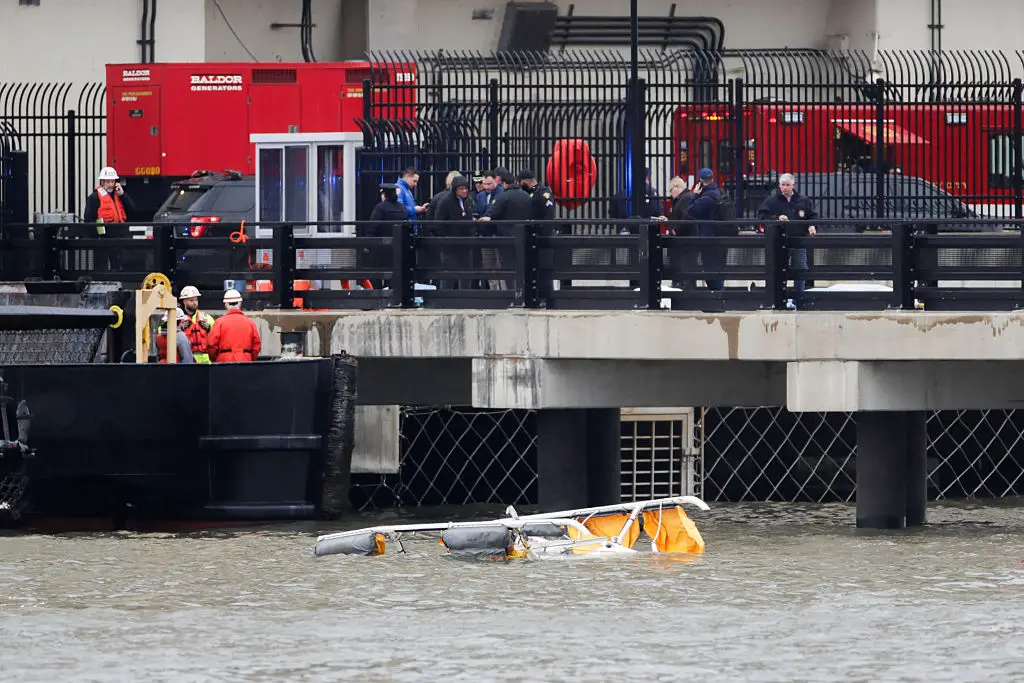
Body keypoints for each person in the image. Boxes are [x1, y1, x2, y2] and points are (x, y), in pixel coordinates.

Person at [757, 173, 818, 309]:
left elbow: (812, 216)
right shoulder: (771, 201)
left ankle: (799, 298)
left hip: (798, 241)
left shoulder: (803, 200)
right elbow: (761, 216)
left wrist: (812, 225)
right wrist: (777, 218)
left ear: (793, 185)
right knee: (778, 269)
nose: (784, 188)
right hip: (779, 241)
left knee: (800, 268)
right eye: (782, 185)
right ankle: (778, 300)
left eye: (787, 185)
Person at [83, 166, 136, 270]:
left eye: (112, 181)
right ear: (102, 182)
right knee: (101, 264)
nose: (111, 184)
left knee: (117, 263)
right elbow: (89, 218)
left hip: (118, 235)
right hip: (103, 236)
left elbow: (133, 209)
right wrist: (95, 236)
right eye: (108, 181)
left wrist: (123, 195)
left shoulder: (119, 195)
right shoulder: (94, 197)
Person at [686, 168, 726, 291]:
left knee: (711, 270)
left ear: (701, 181)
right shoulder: (720, 193)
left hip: (709, 239)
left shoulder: (706, 198)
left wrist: (695, 195)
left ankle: (718, 297)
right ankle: (719, 296)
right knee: (718, 269)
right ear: (713, 178)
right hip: (721, 236)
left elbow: (691, 211)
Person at [206, 289, 262, 363]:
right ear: (240, 303)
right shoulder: (250, 323)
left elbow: (211, 345)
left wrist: (216, 359)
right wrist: (249, 358)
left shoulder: (219, 323)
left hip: (224, 362)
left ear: (226, 304)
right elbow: (256, 345)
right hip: (245, 361)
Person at [177, 285, 216, 364]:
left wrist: (209, 329)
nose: (195, 303)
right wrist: (179, 329)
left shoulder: (206, 318)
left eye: (196, 300)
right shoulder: (177, 318)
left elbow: (217, 335)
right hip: (188, 361)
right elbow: (163, 331)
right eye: (191, 300)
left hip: (206, 362)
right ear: (184, 301)